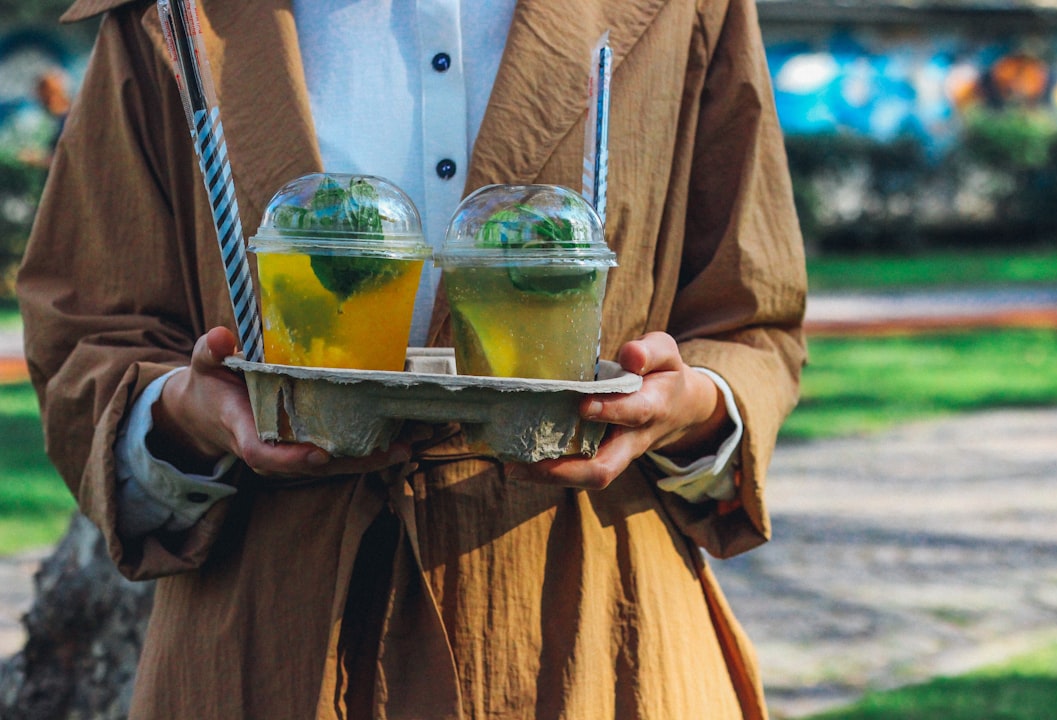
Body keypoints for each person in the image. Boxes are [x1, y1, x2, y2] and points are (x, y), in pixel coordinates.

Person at [17, 0, 807, 718]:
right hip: (267, 643)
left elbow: (753, 319)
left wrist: (692, 404)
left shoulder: (690, 10)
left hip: (589, 639)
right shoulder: (169, 14)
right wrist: (185, 416)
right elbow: (88, 332)